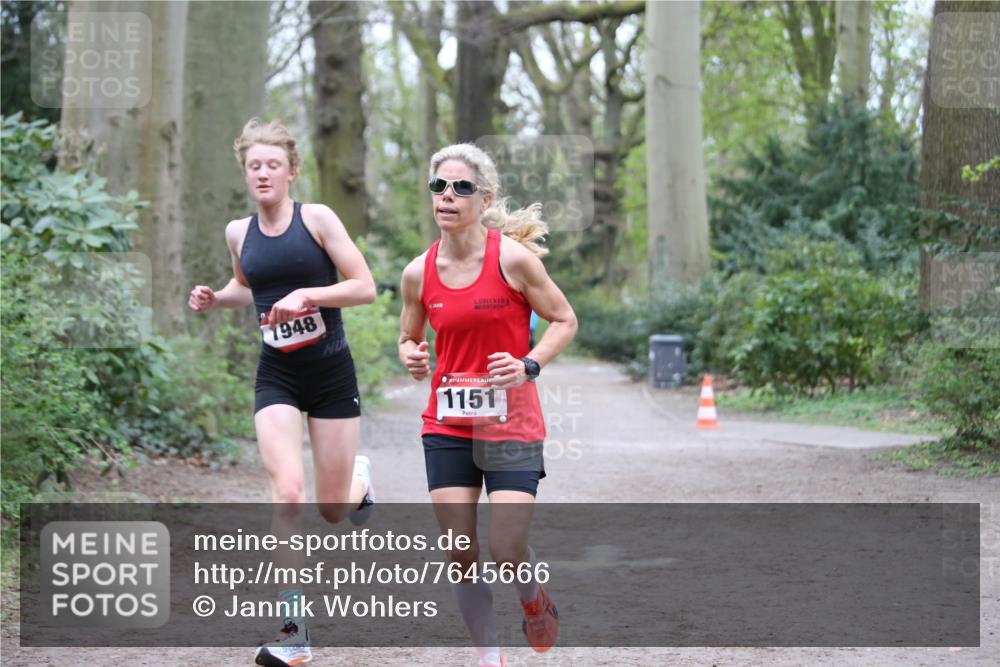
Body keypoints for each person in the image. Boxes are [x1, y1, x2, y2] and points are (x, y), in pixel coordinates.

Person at [188, 118, 376, 667]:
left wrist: (306, 296)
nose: (263, 173)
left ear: (292, 171)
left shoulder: (316, 219)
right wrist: (212, 298)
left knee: (334, 509)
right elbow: (244, 289)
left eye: (273, 164)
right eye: (254, 166)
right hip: (277, 376)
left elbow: (363, 287)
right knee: (288, 493)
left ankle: (359, 481)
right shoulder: (237, 233)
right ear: (245, 174)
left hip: (332, 374)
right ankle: (294, 635)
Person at [398, 143, 578, 667]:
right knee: (459, 551)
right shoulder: (418, 272)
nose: (447, 197)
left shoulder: (512, 260)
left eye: (461, 188)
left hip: (512, 423)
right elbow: (408, 337)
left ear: (485, 198)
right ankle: (489, 657)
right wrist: (411, 355)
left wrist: (529, 365)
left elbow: (565, 320)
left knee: (505, 551)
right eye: (439, 187)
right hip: (448, 423)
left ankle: (531, 597)